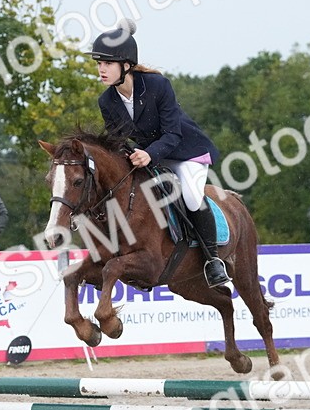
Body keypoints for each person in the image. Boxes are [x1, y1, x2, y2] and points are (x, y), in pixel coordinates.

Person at [89, 20, 230, 287]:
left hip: (187, 152)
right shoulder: (106, 101)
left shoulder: (157, 85)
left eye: (107, 63)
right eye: (99, 63)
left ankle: (213, 261)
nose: (101, 69)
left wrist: (149, 154)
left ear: (126, 65)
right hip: (151, 155)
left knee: (189, 196)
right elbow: (117, 141)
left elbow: (173, 134)